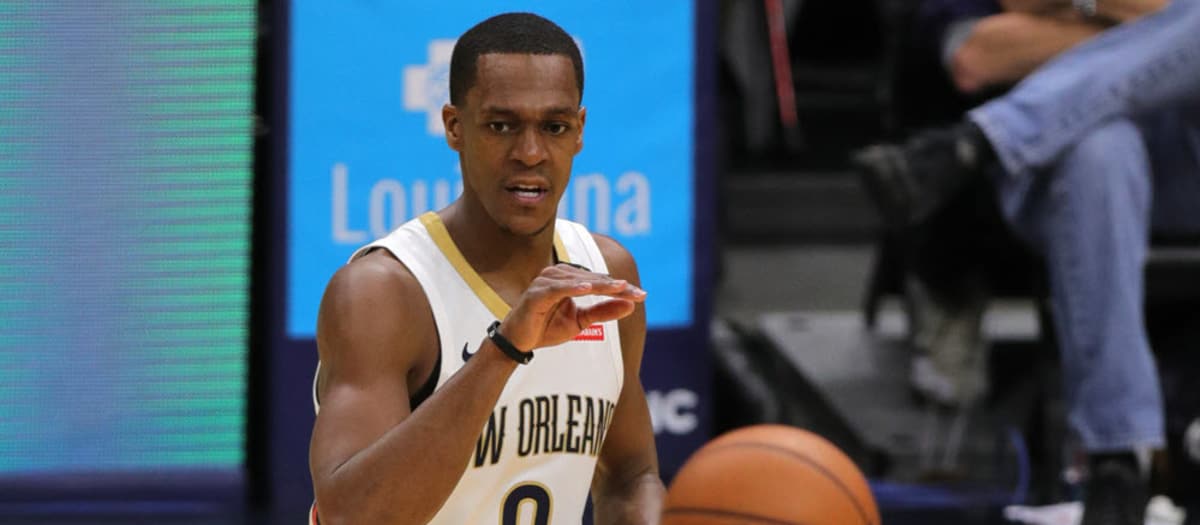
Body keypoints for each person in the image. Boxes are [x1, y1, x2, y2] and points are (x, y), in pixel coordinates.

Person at [307, 13, 665, 525]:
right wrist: (504, 349)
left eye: (554, 127)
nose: (530, 153)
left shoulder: (604, 271)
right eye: (502, 126)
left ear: (579, 131)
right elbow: (353, 516)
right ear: (454, 126)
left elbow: (632, 476)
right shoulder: (383, 293)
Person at [853, 0, 1199, 522]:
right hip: (1063, 179)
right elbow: (976, 59)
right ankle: (1118, 462)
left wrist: (1077, 13)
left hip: (1185, 161)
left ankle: (981, 141)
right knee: (1099, 147)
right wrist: (1153, 38)